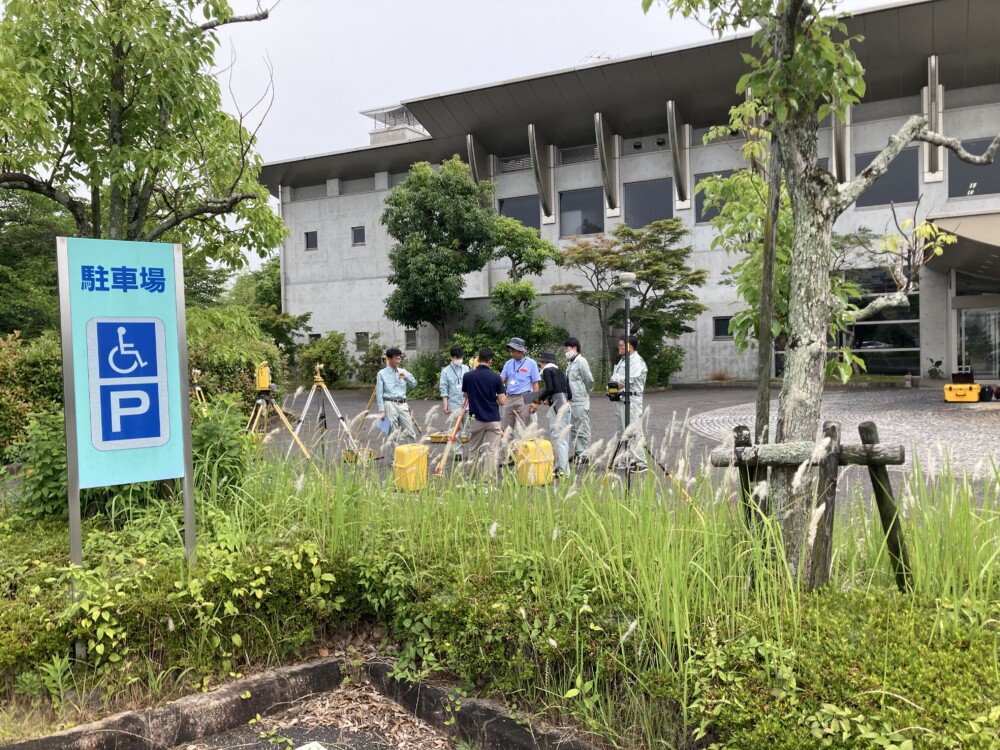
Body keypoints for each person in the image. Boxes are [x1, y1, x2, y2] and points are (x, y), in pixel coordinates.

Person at [462, 348, 507, 475]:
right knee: (491, 452)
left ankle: (470, 479)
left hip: (476, 418)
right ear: (490, 361)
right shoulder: (496, 378)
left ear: (478, 359)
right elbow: (502, 401)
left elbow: (466, 395)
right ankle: (487, 483)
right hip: (493, 419)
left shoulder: (468, 376)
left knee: (473, 450)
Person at [530, 352, 573, 478]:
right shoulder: (563, 374)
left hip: (557, 409)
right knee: (564, 439)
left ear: (544, 362)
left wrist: (539, 399)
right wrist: (548, 399)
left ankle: (565, 471)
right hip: (566, 407)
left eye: (541, 364)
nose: (541, 367)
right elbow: (569, 395)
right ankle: (560, 467)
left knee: (558, 438)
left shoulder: (548, 371)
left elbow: (550, 388)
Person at [610, 334, 647, 472]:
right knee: (622, 432)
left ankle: (640, 462)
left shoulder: (636, 361)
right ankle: (625, 459)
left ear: (629, 347)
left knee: (634, 430)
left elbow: (626, 381)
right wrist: (611, 388)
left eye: (621, 345)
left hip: (632, 400)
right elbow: (615, 379)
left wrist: (611, 387)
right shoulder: (622, 360)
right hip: (621, 399)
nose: (618, 348)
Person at [375, 347, 417, 459]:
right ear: (389, 359)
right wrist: (382, 410)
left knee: (410, 431)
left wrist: (406, 378)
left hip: (403, 404)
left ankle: (413, 456)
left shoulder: (404, 371)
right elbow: (379, 393)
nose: (398, 361)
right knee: (392, 433)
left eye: (399, 358)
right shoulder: (381, 374)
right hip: (389, 403)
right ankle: (394, 459)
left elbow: (414, 384)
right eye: (396, 359)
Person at [499, 337, 540, 435]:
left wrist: (535, 403)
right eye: (510, 351)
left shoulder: (531, 363)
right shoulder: (508, 363)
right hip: (509, 397)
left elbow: (535, 384)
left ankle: (523, 449)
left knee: (524, 427)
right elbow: (501, 380)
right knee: (506, 428)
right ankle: (508, 449)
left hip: (524, 397)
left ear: (521, 351)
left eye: (513, 351)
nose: (511, 353)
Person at [563, 337, 594, 465]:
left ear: (574, 348)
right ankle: (578, 452)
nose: (565, 351)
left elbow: (589, 379)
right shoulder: (571, 362)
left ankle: (584, 454)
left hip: (580, 400)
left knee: (582, 427)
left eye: (567, 348)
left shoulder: (581, 361)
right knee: (575, 428)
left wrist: (587, 392)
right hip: (572, 400)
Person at [438, 346, 470, 460]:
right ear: (451, 357)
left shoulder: (466, 368)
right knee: (455, 429)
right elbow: (444, 388)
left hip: (467, 404)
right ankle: (458, 452)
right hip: (454, 404)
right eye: (457, 357)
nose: (459, 359)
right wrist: (445, 404)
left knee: (470, 428)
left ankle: (474, 451)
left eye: (461, 357)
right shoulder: (445, 371)